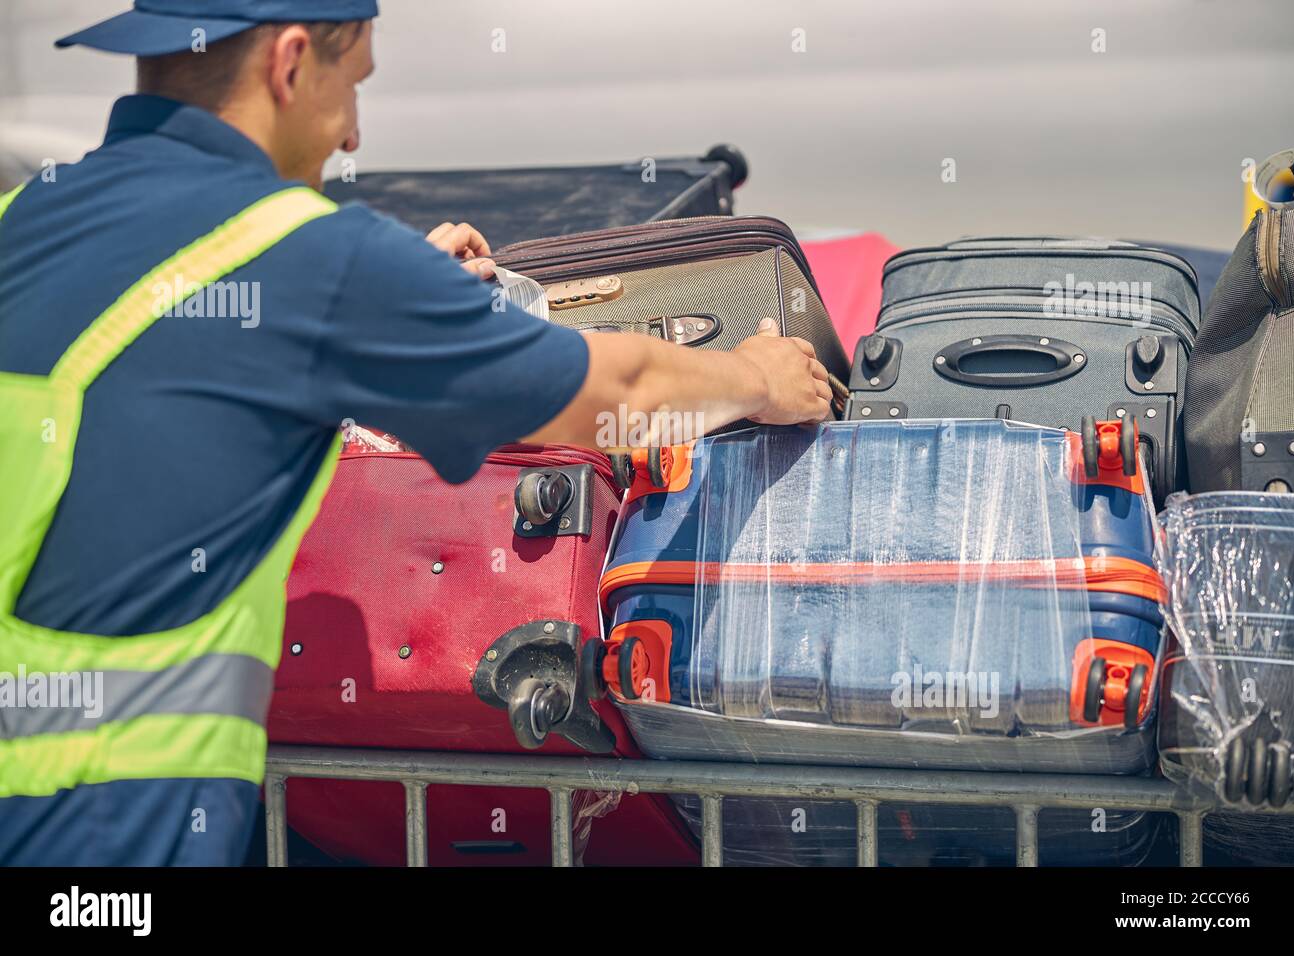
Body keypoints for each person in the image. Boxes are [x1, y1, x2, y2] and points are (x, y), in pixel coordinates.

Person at [0, 0, 830, 866]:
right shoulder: (303, 258)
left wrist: (400, 312)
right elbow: (611, 390)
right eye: (351, 85)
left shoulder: (21, 219)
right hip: (103, 836)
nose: (352, 136)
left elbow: (155, 400)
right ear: (289, 64)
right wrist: (757, 378)